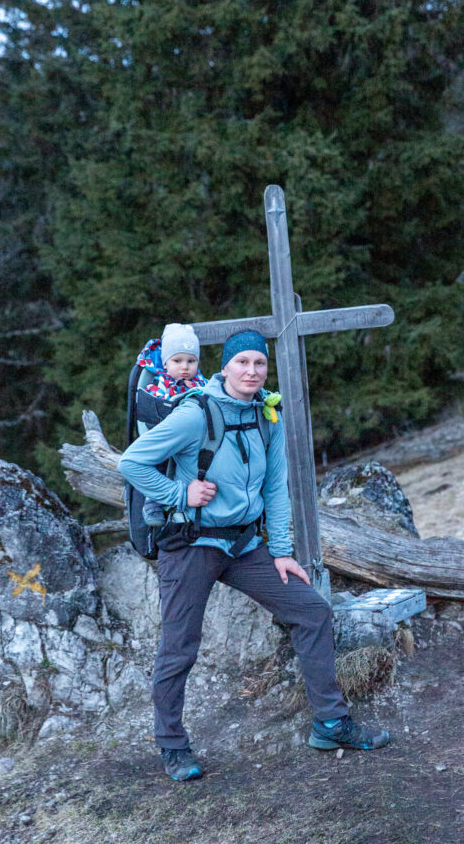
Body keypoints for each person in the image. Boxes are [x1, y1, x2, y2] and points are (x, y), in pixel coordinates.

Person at [118, 328, 389, 782]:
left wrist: (281, 551)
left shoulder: (267, 415)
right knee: (179, 647)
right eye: (242, 362)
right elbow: (131, 462)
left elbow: (275, 488)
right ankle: (172, 744)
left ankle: (330, 724)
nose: (251, 370)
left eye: (259, 363)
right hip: (191, 543)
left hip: (243, 545)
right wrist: (180, 494)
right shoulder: (195, 414)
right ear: (224, 367)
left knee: (312, 611)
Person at [135, 323, 208, 527]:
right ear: (166, 363)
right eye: (177, 361)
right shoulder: (159, 384)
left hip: (195, 437)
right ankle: (153, 502)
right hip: (165, 434)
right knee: (157, 462)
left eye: (191, 361)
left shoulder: (201, 383)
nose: (185, 367)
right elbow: (152, 408)